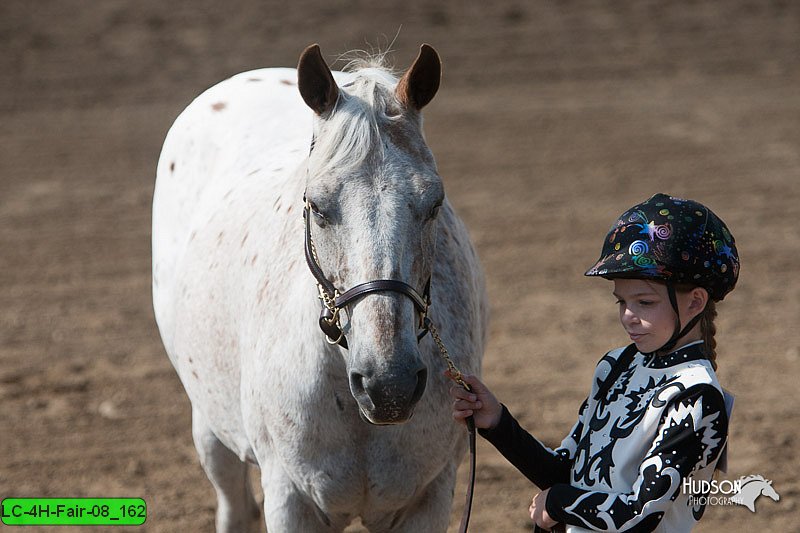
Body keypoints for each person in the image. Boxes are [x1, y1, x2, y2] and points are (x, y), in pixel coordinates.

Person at [449, 193, 739, 532]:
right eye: (622, 302)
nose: (628, 316)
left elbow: (641, 514)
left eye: (644, 302)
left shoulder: (697, 397)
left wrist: (559, 503)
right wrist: (497, 422)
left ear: (695, 303)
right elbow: (567, 472)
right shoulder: (616, 366)